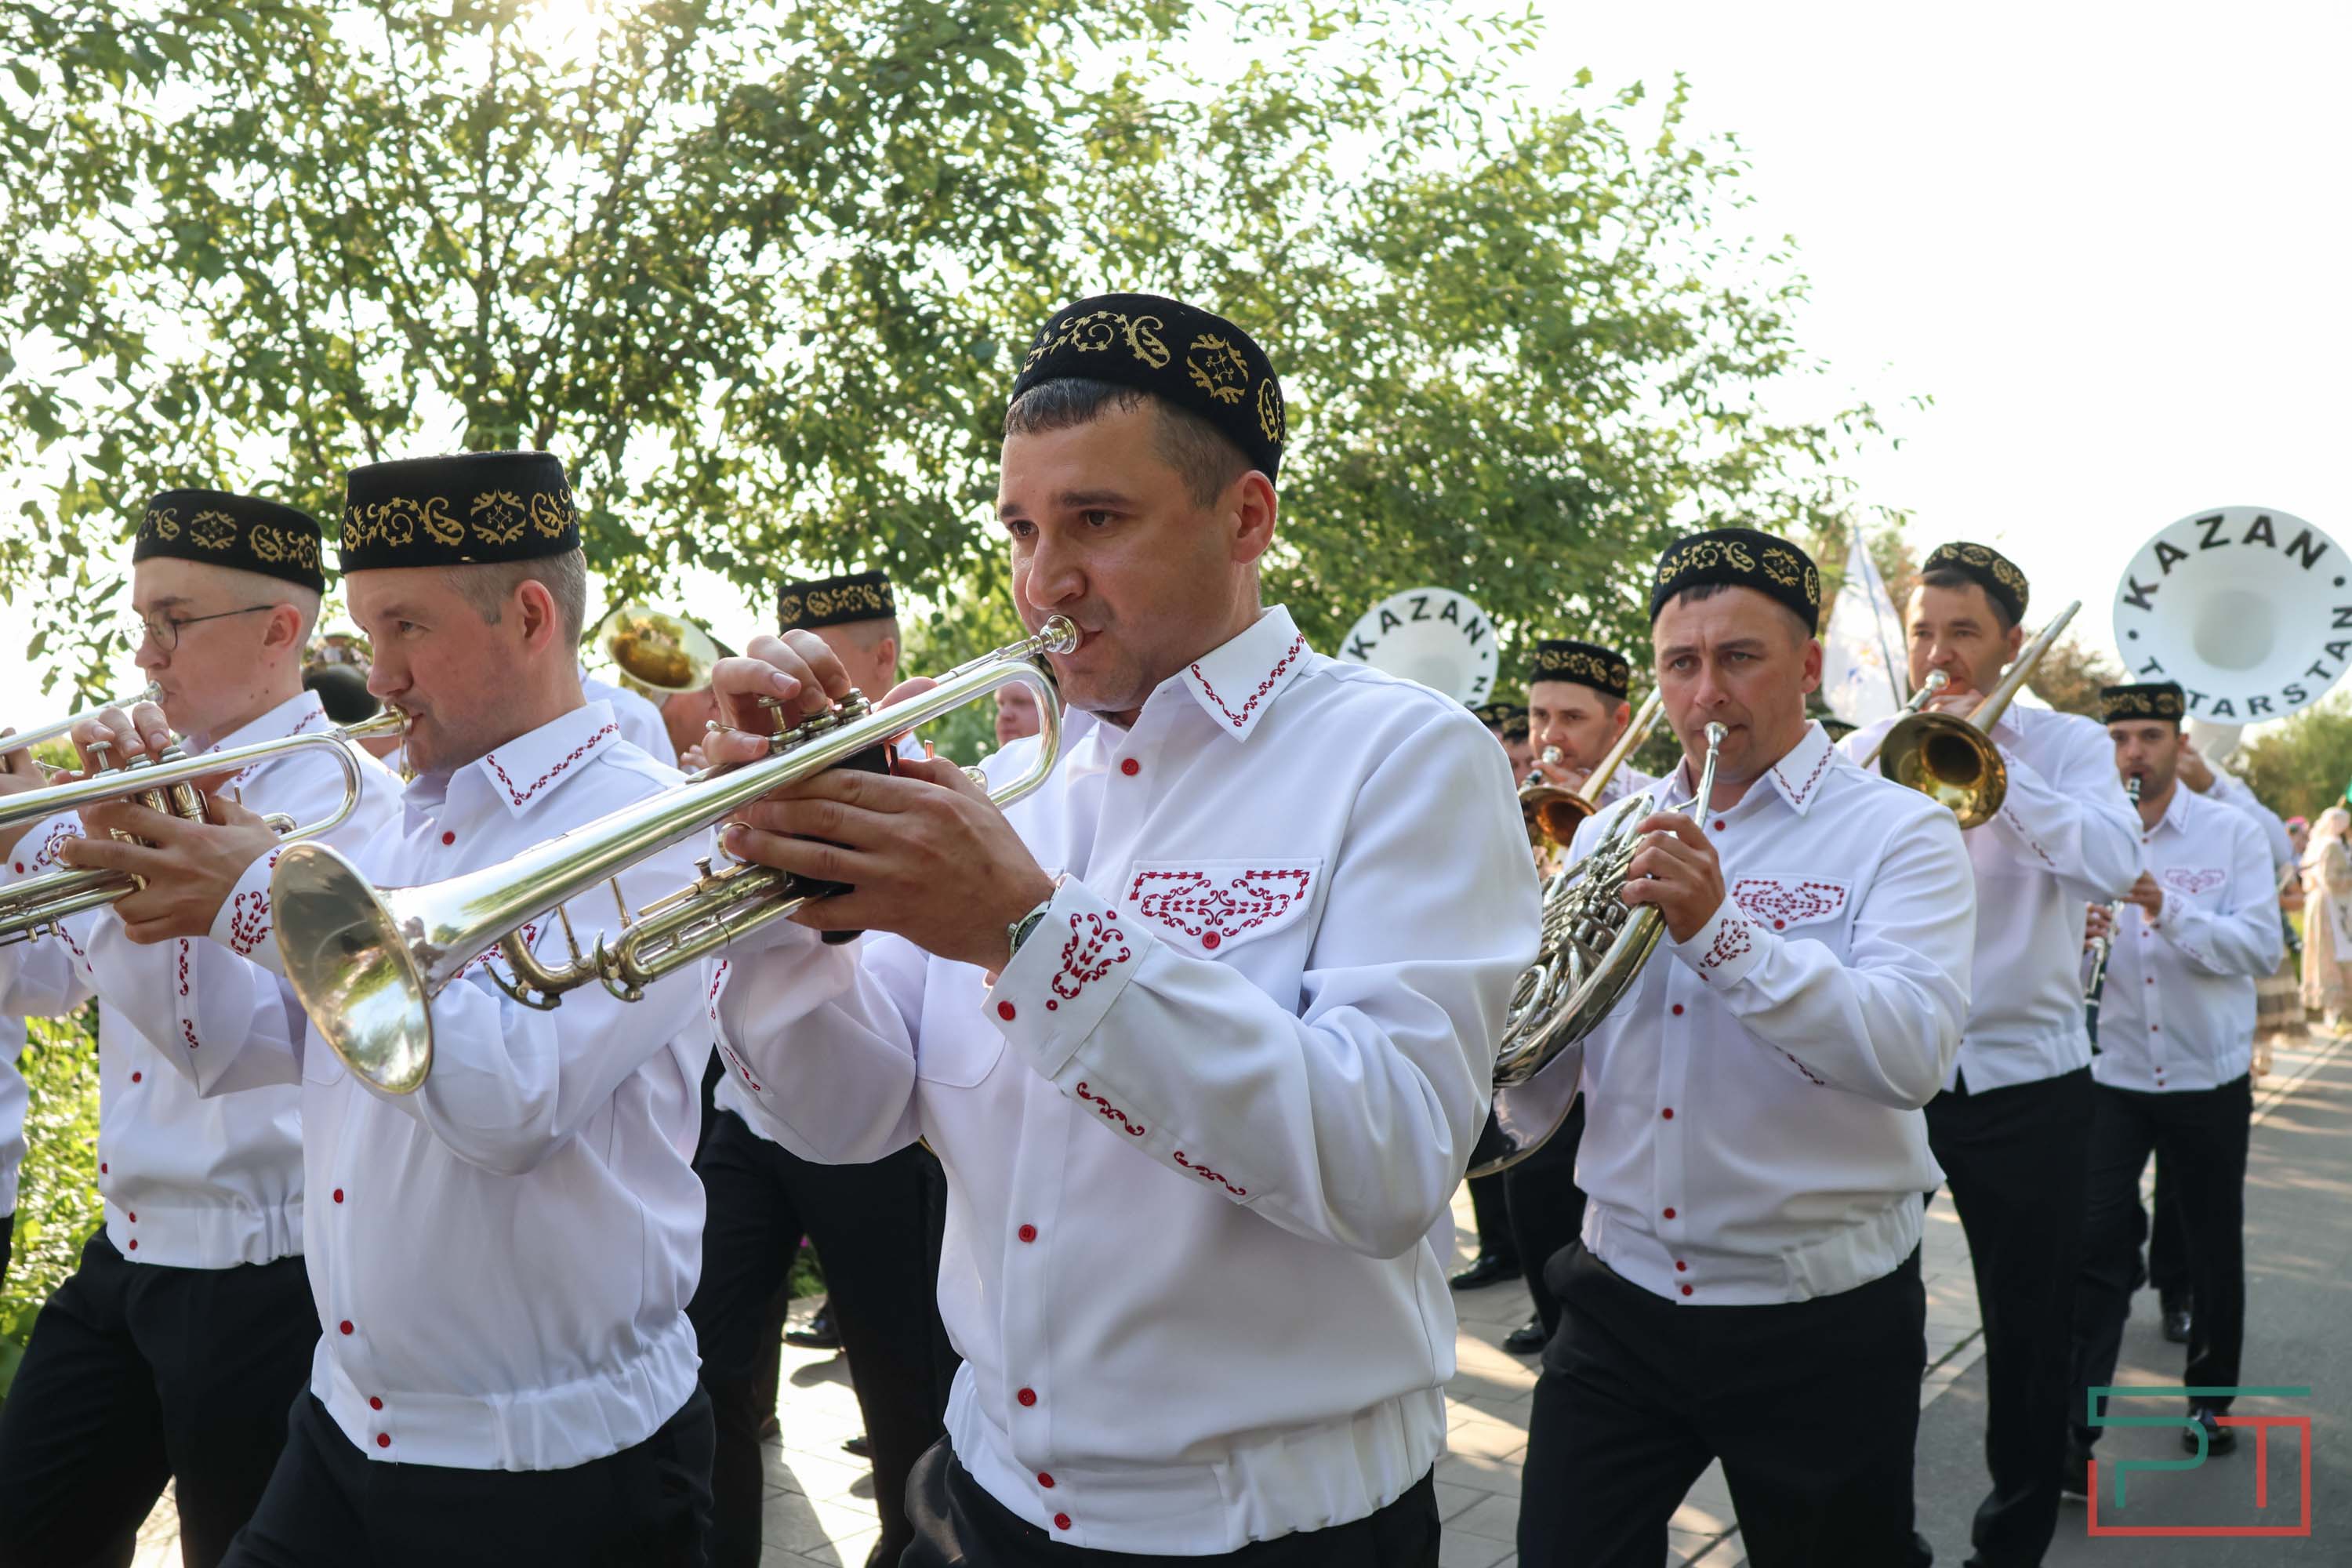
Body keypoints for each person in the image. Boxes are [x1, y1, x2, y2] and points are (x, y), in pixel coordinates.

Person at [702, 291, 1536, 1563]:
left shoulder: (1405, 756)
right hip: (987, 1491)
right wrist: (778, 905)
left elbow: (1388, 1162)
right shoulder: (1023, 785)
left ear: (1245, 515)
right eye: (1024, 528)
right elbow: (846, 1118)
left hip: (1273, 1528)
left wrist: (1034, 935)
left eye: (1099, 520)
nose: (1047, 579)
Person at [65, 452, 729, 1566]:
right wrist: (145, 887)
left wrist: (258, 905)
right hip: (346, 1423)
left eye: (406, 629)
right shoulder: (391, 816)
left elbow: (512, 1101)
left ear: (528, 618)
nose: (377, 676)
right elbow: (230, 1050)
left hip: (553, 1470)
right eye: (369, 634)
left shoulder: (652, 829)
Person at [1510, 527, 1976, 1568]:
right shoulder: (1605, 830)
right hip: (1618, 1294)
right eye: (1682, 663)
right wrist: (1504, 1029)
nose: (1706, 694)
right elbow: (1545, 1067)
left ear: (1807, 667)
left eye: (1740, 658)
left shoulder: (1901, 833)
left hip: (1816, 1315)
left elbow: (1911, 1053)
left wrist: (1721, 935)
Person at [0, 490, 400, 1568]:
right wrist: (12, 852)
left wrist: (125, 866)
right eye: (141, 621)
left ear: (281, 630)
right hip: (128, 1249)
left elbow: (218, 1051)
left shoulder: (355, 797)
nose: (146, 655)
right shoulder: (134, 771)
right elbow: (40, 986)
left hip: (266, 1276)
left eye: (175, 621)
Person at [1836, 541, 2140, 1568]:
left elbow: (2113, 860)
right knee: (1867, 1314)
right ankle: (1879, 1540)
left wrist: (1996, 776)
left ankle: (2009, 1544)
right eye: (1924, 629)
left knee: (2031, 1327)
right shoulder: (1871, 741)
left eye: (1963, 632)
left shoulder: (2065, 746)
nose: (1939, 652)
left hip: (2029, 1077)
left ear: (2013, 643)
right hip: (1892, 1073)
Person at [689, 567, 956, 1568]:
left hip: (888, 1123)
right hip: (746, 1106)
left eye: (830, 658)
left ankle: (910, 1542)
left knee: (902, 1381)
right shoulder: (769, 764)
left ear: (882, 659)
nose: (798, 680)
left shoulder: (937, 781)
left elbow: (905, 993)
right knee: (709, 1358)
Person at [2066, 681, 2278, 1494]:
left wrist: (2166, 903)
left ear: (2177, 741)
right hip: (2113, 1072)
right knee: (2092, 1243)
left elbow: (2260, 946)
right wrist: (2077, 942)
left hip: (2205, 1074)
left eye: (2149, 735)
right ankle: (2075, 1430)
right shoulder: (2087, 840)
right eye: (2119, 736)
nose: (2132, 753)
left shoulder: (2231, 834)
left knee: (2212, 1237)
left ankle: (2210, 1401)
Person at [1499, 637, 1657, 1358]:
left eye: (1571, 717)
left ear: (1620, 722)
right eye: (1539, 717)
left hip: (1620, 1046)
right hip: (1538, 1043)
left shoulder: (1651, 804)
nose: (1549, 737)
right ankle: (1552, 1318)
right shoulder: (1512, 801)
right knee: (1529, 1197)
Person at [2299, 806, 2352, 1026]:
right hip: (2329, 905)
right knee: (2332, 952)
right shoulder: (2330, 845)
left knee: (2327, 951)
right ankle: (2337, 1008)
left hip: (2321, 903)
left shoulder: (2319, 844)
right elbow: (2332, 880)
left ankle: (2336, 1010)